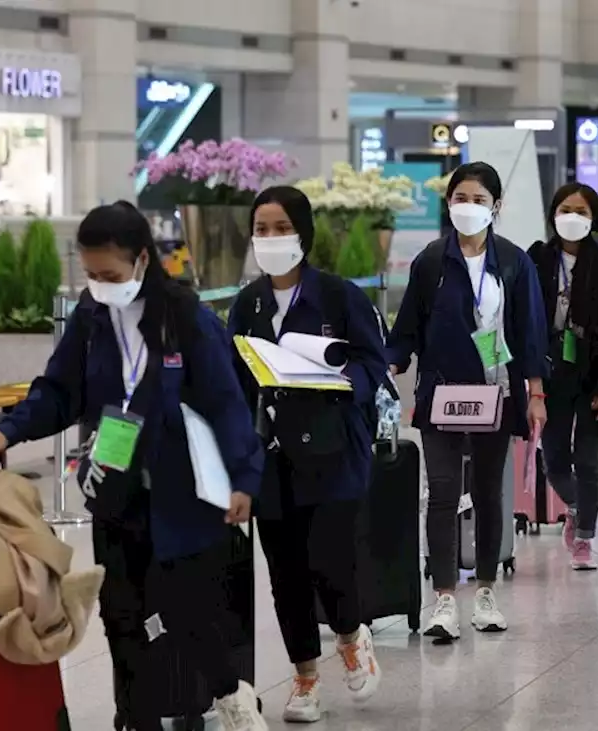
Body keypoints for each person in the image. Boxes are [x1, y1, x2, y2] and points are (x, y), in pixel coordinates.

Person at [0, 202, 268, 731]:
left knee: (187, 614)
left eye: (110, 274)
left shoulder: (187, 319)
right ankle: (135, 719)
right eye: (90, 274)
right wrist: (8, 429)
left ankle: (230, 696)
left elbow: (226, 402)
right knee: (122, 617)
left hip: (182, 492)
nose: (100, 285)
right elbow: (59, 392)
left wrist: (245, 478)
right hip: (114, 487)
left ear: (143, 261)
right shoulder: (89, 319)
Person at [226, 186, 384, 722]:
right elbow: (234, 377)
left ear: (304, 233)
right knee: (286, 571)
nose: (271, 239)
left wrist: (344, 383)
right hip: (270, 458)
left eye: (280, 228)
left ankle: (349, 634)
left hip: (333, 451)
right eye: (262, 229)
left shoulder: (340, 297)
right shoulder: (247, 303)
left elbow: (372, 362)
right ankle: (305, 678)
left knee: (330, 562)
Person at [387, 162, 548, 639]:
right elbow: (406, 331)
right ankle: (442, 599)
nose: (468, 208)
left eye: (479, 200)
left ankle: (485, 590)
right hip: (441, 393)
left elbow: (530, 333)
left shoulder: (516, 263)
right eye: (460, 198)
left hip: (494, 393)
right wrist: (388, 364)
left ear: (495, 207)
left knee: (485, 492)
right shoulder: (431, 262)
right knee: (439, 493)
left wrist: (536, 393)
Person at [526, 182, 598, 569]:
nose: (573, 217)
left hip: (591, 375)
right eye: (565, 209)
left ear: (594, 218)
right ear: (554, 214)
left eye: (581, 211)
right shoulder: (536, 259)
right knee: (554, 460)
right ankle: (575, 507)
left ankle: (584, 537)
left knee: (588, 459)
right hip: (551, 373)